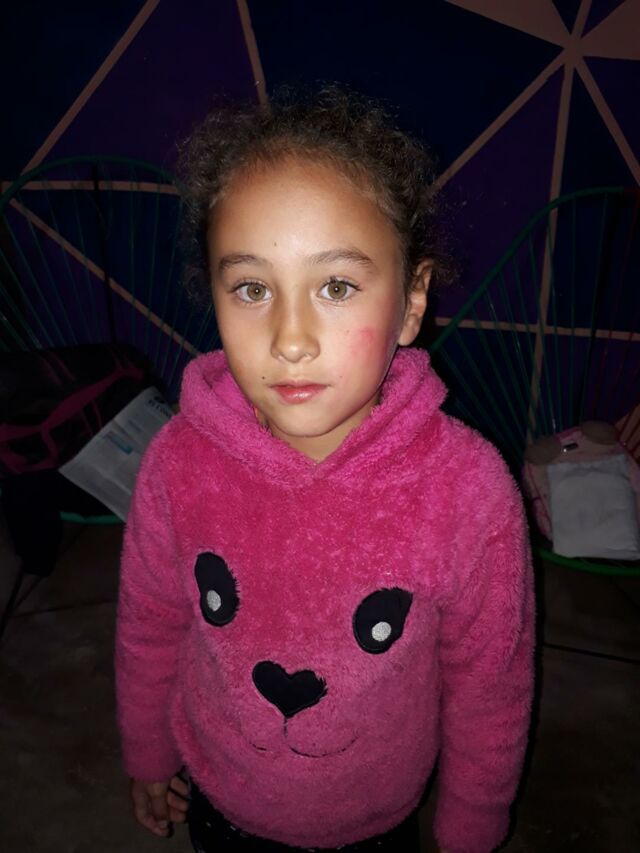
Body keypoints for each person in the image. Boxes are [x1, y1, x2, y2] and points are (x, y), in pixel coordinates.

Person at [115, 87, 535, 853]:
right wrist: (147, 751)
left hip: (377, 821)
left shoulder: (470, 492)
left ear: (412, 304)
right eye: (252, 288)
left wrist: (472, 825)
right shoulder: (177, 461)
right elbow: (149, 623)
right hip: (220, 800)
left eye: (336, 286)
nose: (291, 337)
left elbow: (491, 687)